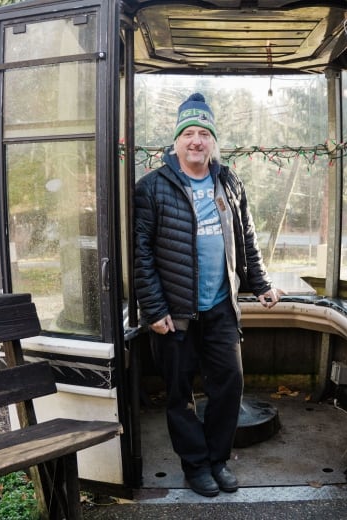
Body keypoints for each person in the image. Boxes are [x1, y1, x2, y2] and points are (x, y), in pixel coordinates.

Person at [134, 92, 284, 497]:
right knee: (180, 394)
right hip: (175, 313)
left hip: (220, 307)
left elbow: (245, 238)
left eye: (203, 133)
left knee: (229, 385)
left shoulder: (228, 180)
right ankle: (195, 466)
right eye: (189, 133)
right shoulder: (152, 187)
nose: (196, 141)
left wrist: (262, 282)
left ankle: (218, 460)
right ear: (176, 141)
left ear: (212, 140)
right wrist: (154, 309)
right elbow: (141, 254)